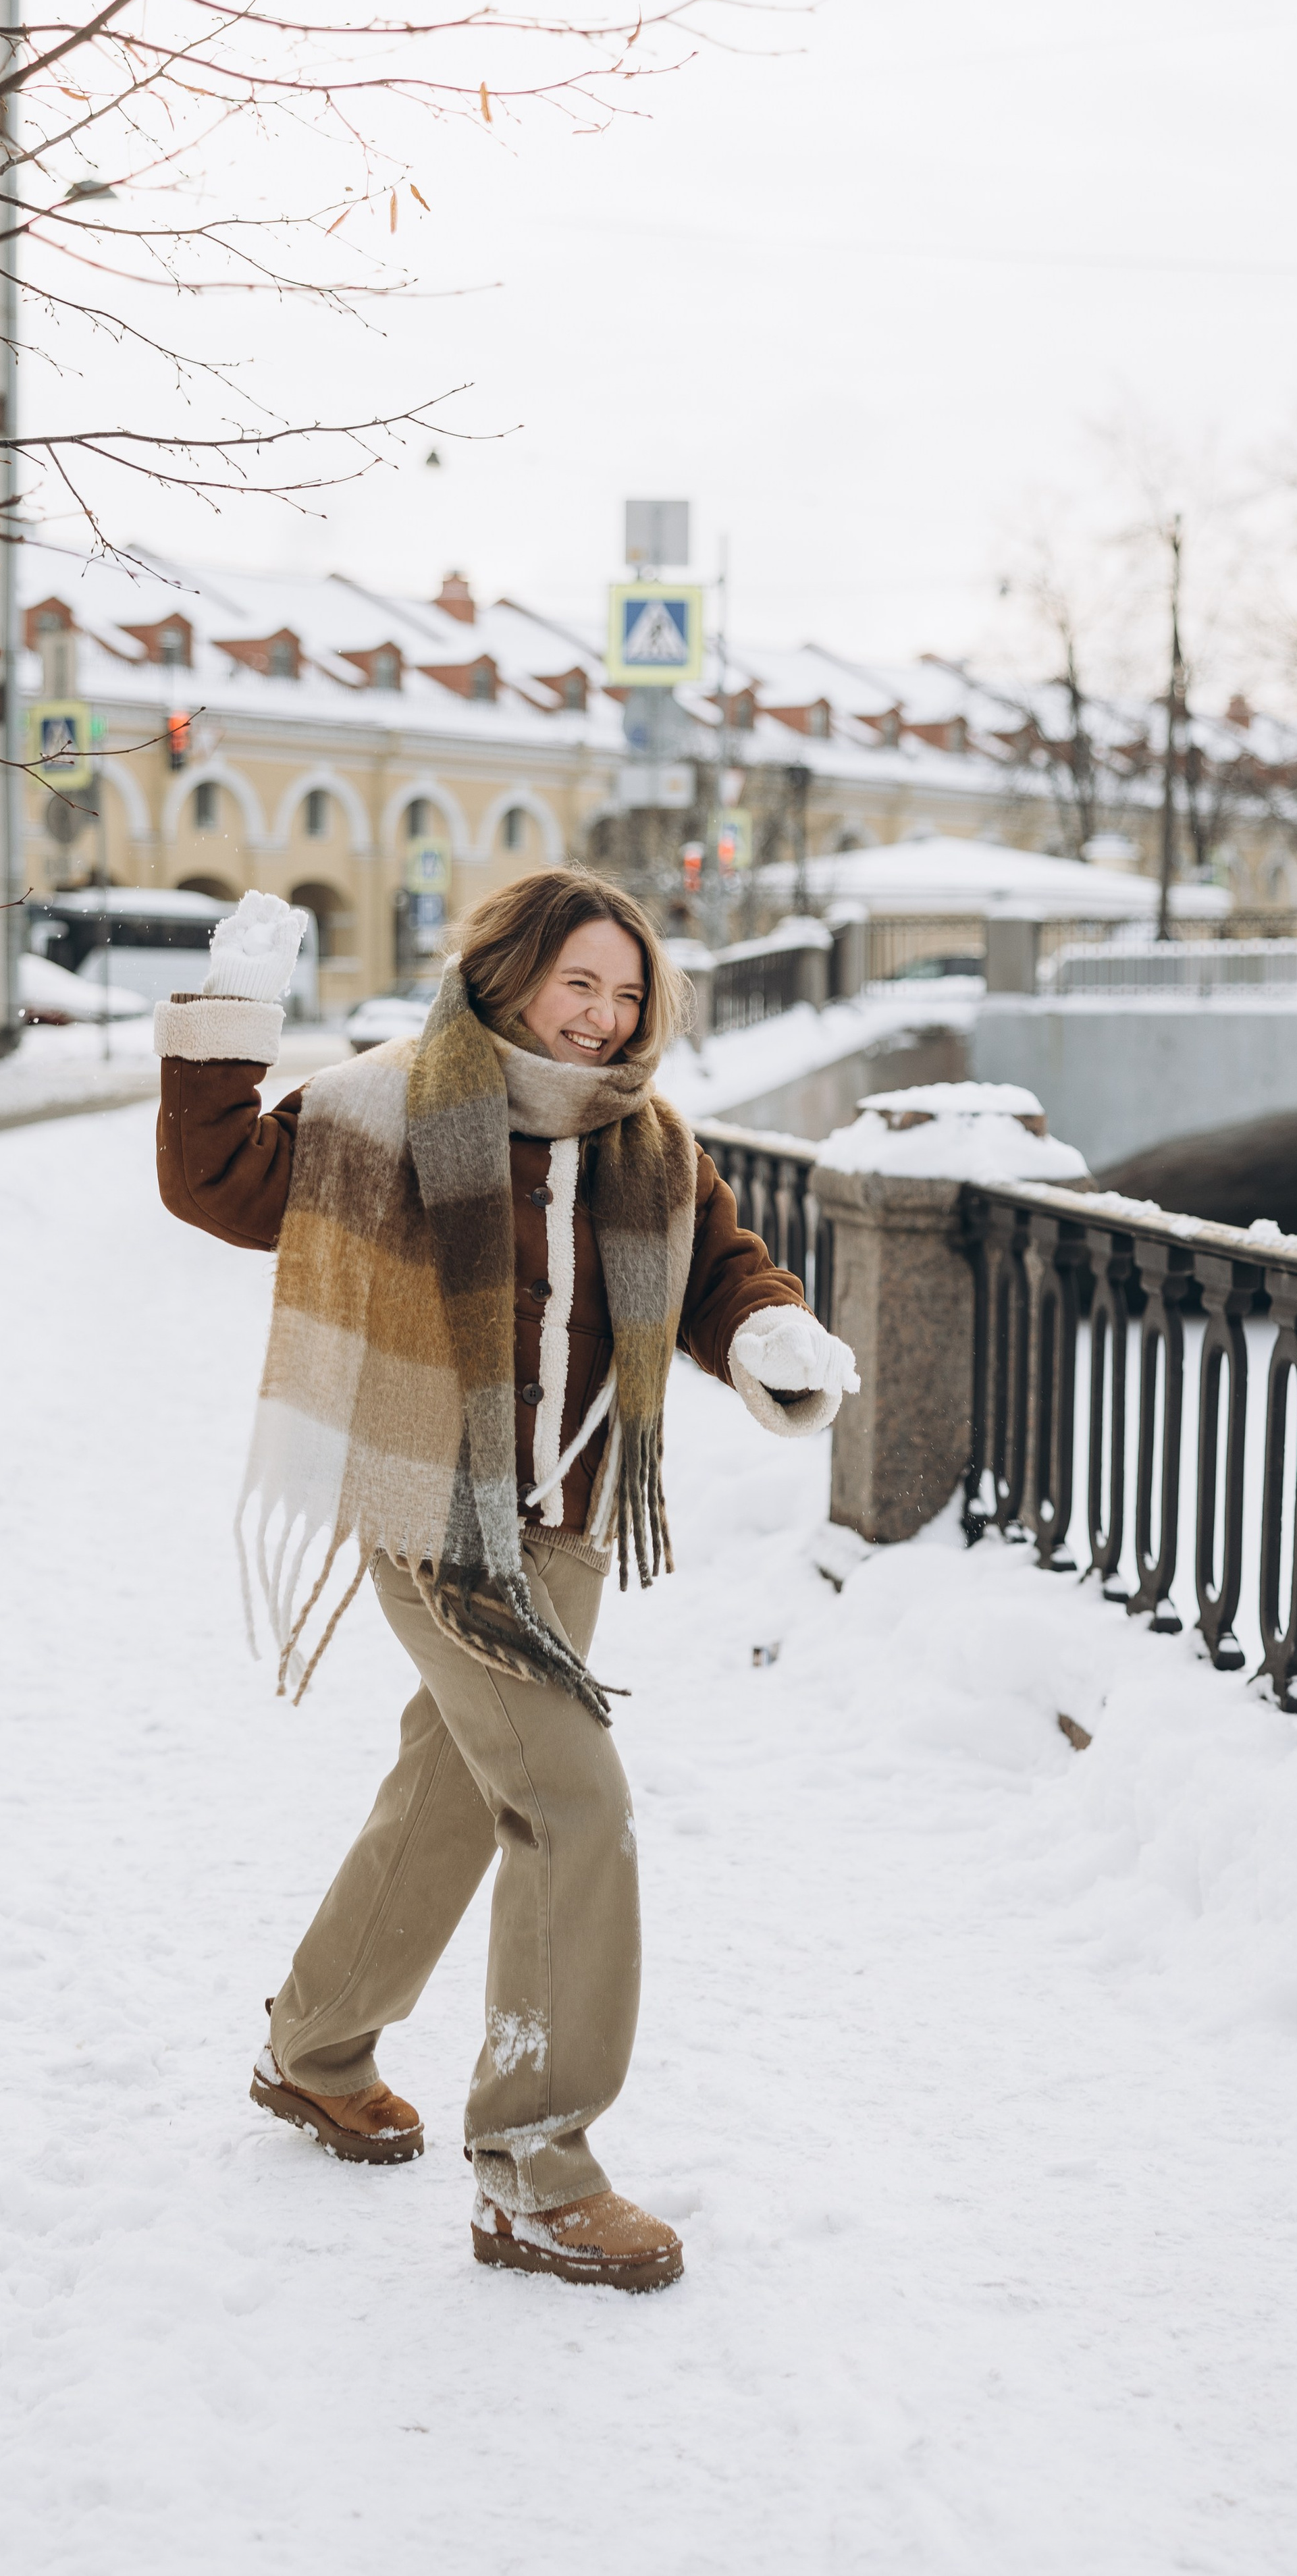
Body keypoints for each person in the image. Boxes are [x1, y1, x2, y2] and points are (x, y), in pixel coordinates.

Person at [154, 872, 857, 2293]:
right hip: (433, 1515)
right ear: (511, 973)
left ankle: (315, 2048)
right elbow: (218, 1181)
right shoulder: (386, 1103)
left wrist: (768, 1332)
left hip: (568, 1526)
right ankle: (537, 2168)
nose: (603, 1018)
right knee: (574, 1805)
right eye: (576, 984)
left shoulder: (649, 1143)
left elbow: (719, 1271)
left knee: (460, 1787)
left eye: (627, 993)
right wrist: (231, 1014)